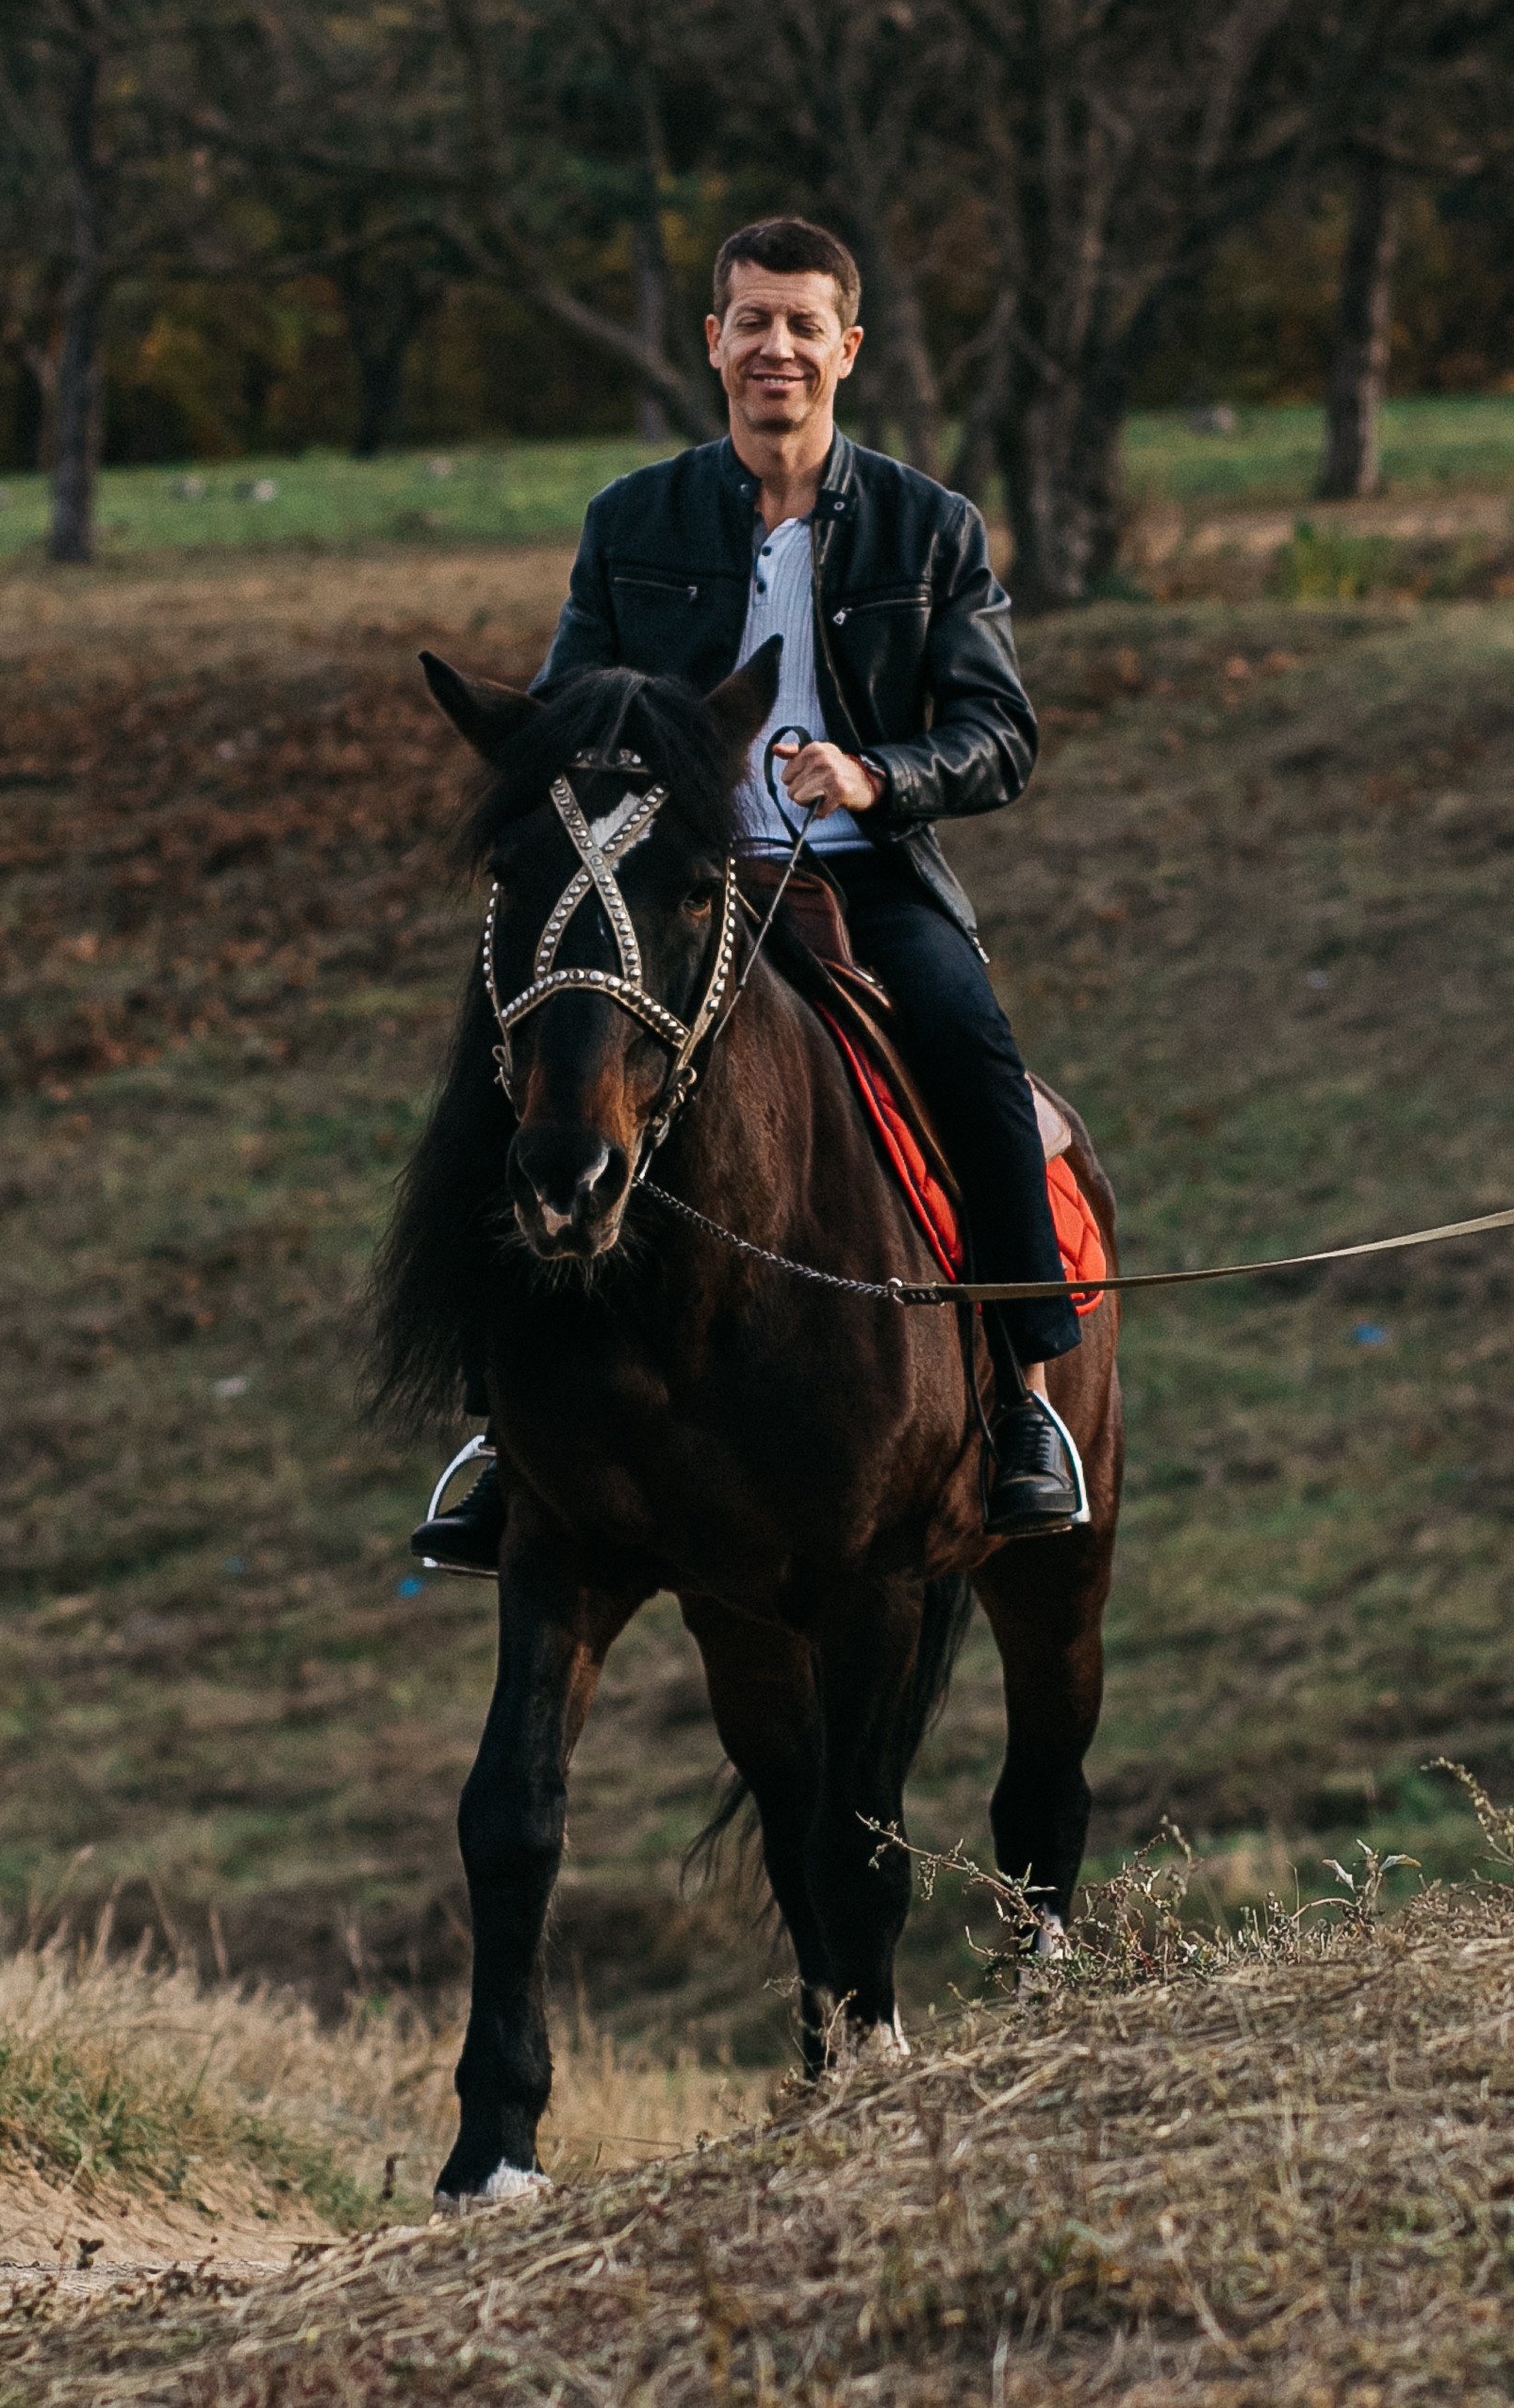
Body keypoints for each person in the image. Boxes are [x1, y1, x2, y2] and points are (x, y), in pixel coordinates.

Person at [414, 214, 1085, 1573]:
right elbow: (570, 705)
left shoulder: (926, 523)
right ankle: (500, 1429)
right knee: (518, 1062)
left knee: (964, 1045)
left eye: (801, 323)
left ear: (845, 347)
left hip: (862, 878)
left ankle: (1020, 1402)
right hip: (668, 881)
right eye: (749, 320)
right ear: (711, 340)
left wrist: (877, 774)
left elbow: (1000, 734)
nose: (773, 346)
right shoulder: (633, 521)